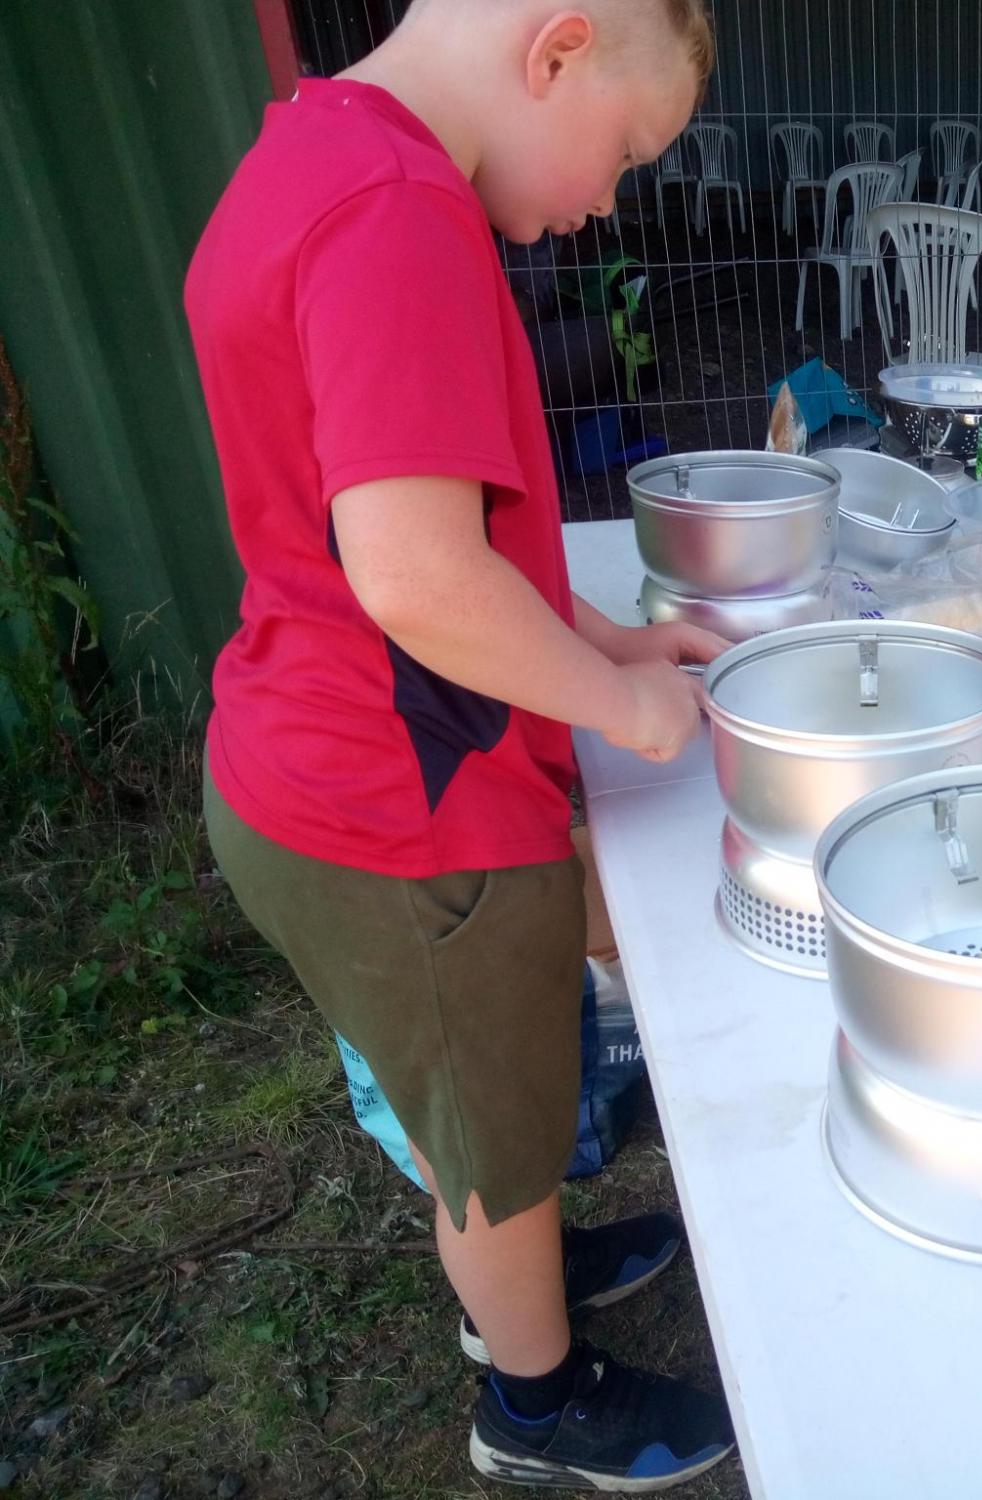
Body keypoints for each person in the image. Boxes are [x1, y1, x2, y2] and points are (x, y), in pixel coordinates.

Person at [185, 0, 739, 1489]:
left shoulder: (317, 151)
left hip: (319, 753)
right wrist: (629, 710)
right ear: (557, 48)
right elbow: (418, 578)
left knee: (481, 1093)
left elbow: (401, 538)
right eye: (626, 151)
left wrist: (611, 642)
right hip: (399, 815)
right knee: (492, 1130)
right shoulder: (398, 212)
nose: (610, 199)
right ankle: (536, 1403)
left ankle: (532, 1267)